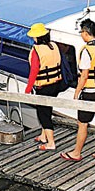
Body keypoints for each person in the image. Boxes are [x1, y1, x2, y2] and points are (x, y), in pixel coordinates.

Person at [61, 19, 95, 162]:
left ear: (85, 32)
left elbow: (84, 75)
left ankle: (76, 153)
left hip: (91, 91)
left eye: (81, 32)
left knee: (82, 123)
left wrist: (77, 92)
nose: (81, 35)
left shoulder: (87, 51)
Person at [25, 22, 64, 151]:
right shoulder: (53, 46)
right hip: (56, 84)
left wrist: (28, 88)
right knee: (47, 109)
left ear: (37, 37)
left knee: (43, 114)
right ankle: (43, 136)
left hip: (44, 86)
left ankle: (51, 143)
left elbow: (34, 71)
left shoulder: (36, 51)